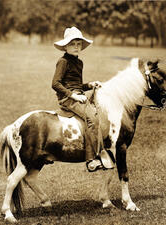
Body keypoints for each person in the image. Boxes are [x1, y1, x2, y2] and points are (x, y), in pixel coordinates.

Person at [52, 27, 114, 172]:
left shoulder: (79, 63)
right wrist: (72, 95)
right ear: (66, 46)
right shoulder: (63, 61)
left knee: (101, 112)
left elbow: (77, 85)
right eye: (73, 44)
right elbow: (55, 83)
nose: (76, 47)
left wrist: (90, 84)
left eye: (79, 44)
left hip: (79, 96)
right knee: (92, 118)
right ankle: (92, 159)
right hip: (67, 99)